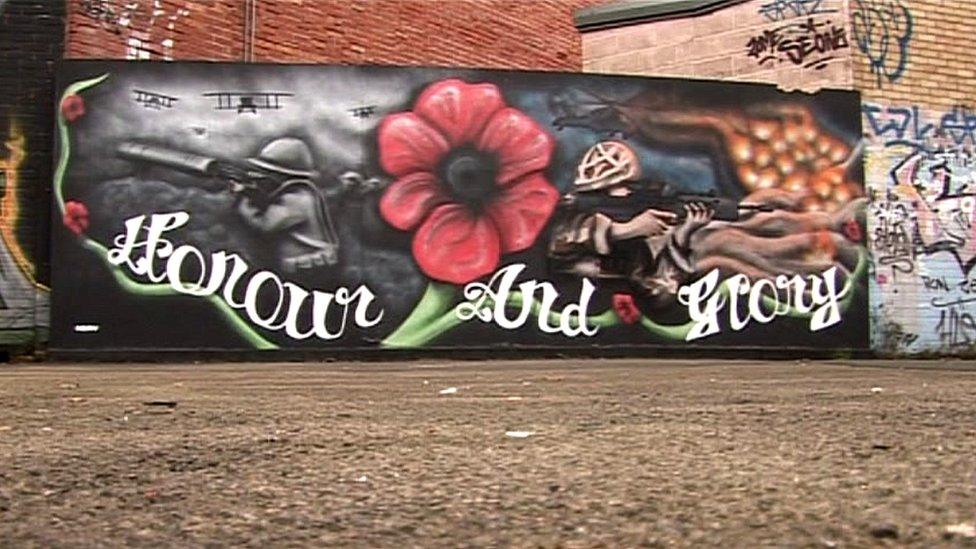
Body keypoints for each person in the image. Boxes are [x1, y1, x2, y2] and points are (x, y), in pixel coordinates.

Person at [548, 140, 713, 307]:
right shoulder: (573, 219)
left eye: (630, 191)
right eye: (621, 191)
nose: (628, 195)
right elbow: (562, 243)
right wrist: (627, 229)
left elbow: (660, 290)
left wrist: (683, 235)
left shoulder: (638, 253)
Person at [231, 137, 340, 279]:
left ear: (281, 175)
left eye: (267, 172)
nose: (261, 176)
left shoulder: (296, 199)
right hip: (308, 267)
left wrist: (243, 198)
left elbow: (264, 225)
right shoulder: (302, 194)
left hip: (308, 270)